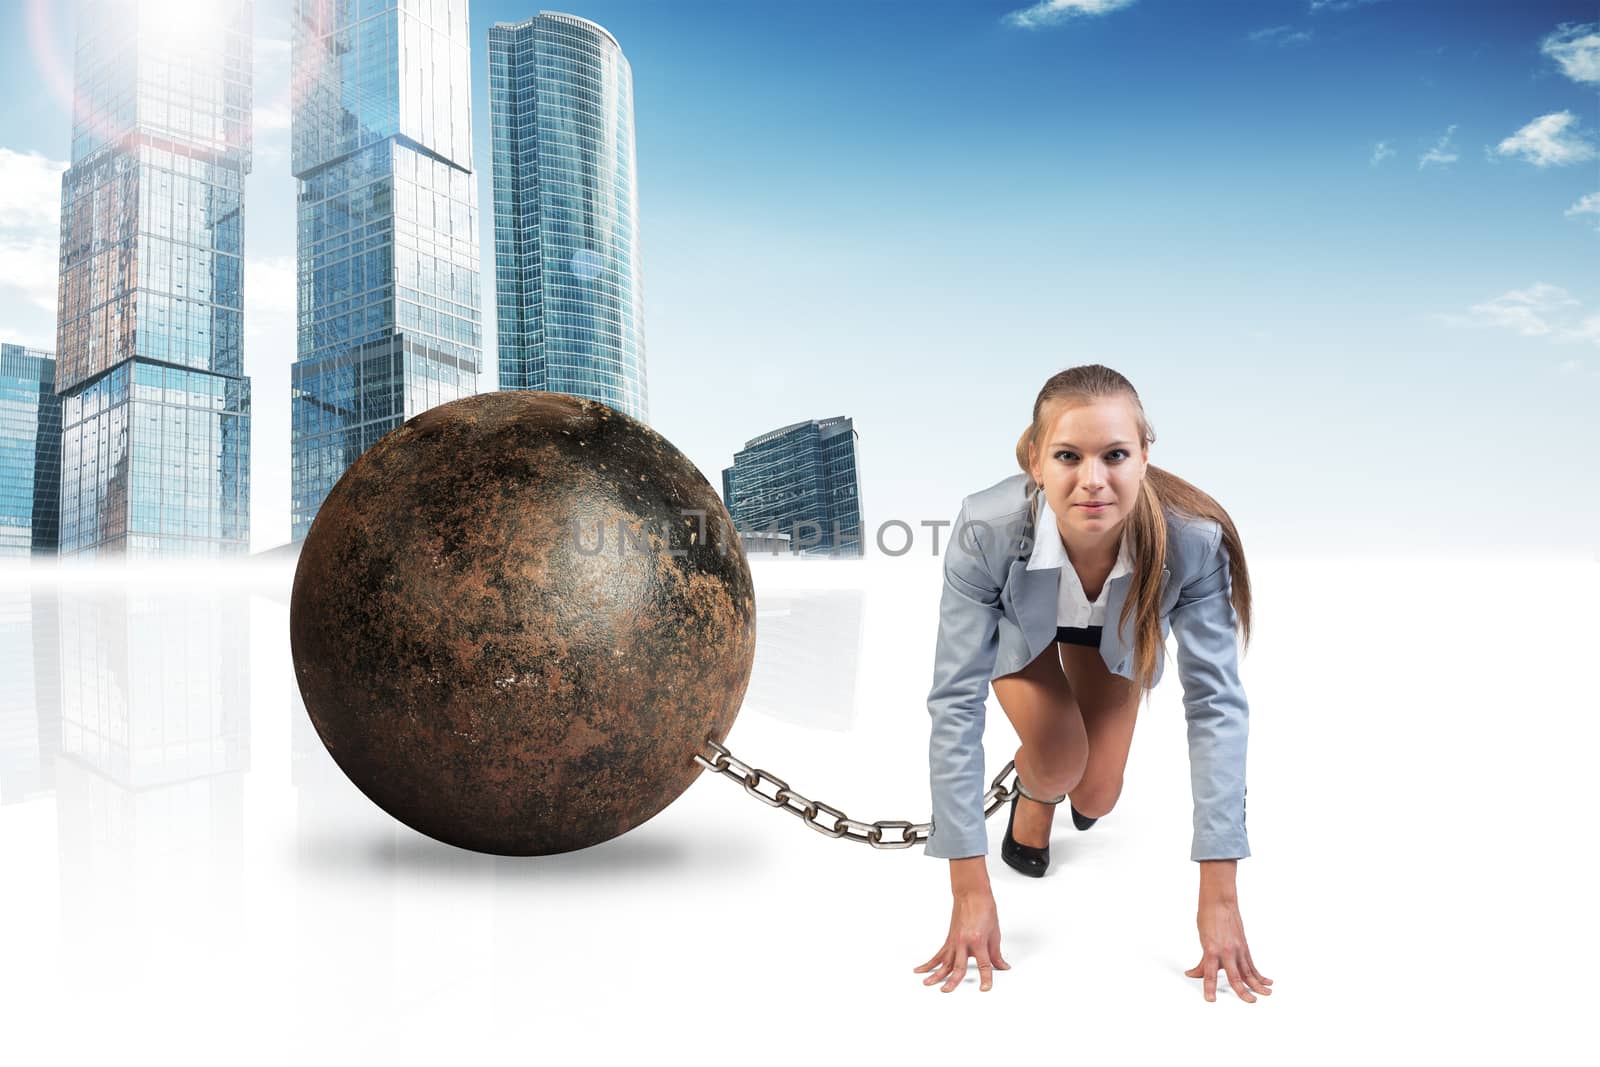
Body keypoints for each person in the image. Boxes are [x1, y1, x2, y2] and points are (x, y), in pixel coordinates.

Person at [912, 364, 1273, 1002]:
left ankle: (1060, 786)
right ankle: (1035, 794)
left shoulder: (1192, 541)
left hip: (1114, 641)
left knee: (1099, 795)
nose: (1093, 481)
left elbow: (1217, 706)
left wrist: (1220, 894)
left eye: (1115, 455)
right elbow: (956, 699)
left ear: (1144, 456)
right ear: (1033, 459)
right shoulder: (984, 527)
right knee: (1057, 761)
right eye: (1068, 456)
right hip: (1028, 636)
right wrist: (969, 887)